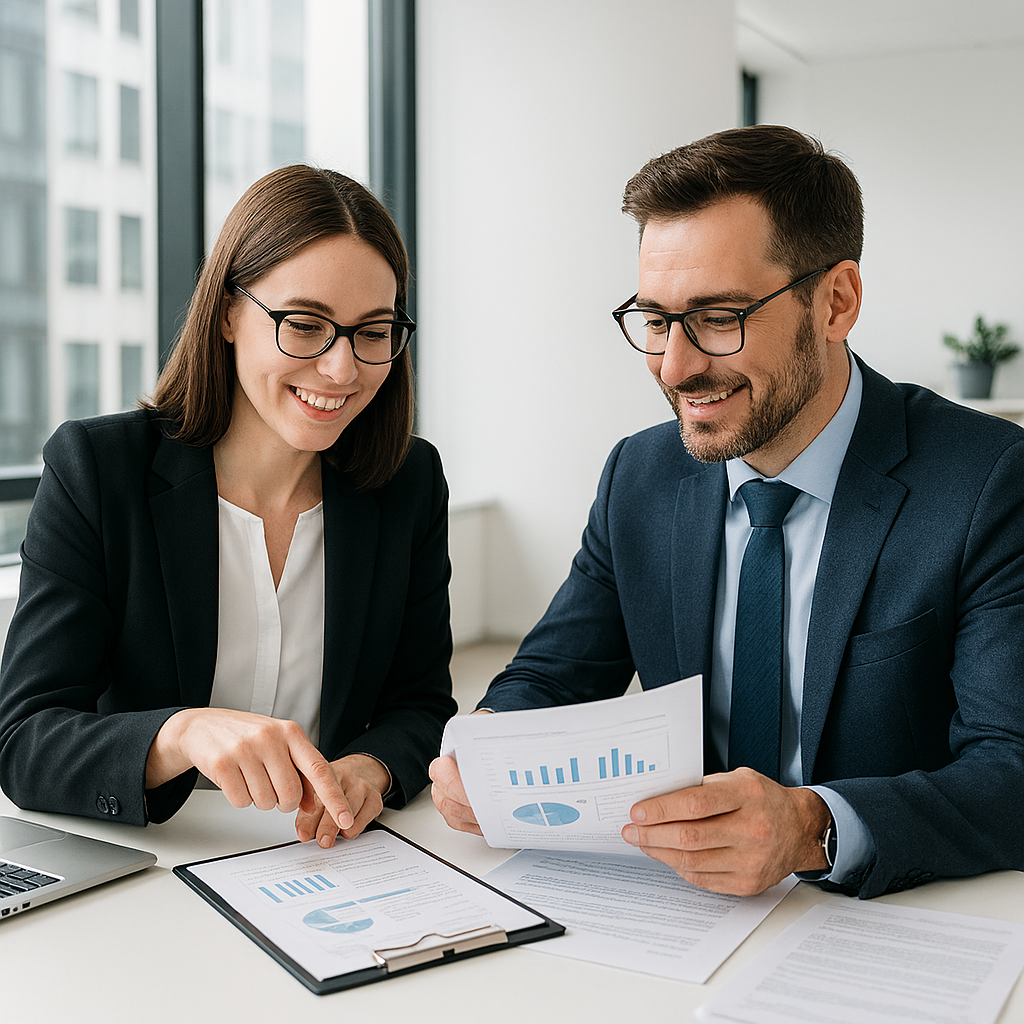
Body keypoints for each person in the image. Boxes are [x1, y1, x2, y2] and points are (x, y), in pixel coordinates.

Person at [430, 125, 1024, 900]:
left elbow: (1011, 767)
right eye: (655, 319)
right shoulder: (638, 473)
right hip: (680, 910)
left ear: (836, 302)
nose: (675, 367)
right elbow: (552, 674)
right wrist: (484, 748)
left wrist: (815, 827)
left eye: (718, 317)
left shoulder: (985, 481)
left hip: (888, 913)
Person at [0, 164, 456, 848]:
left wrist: (371, 768)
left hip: (328, 862)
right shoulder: (97, 470)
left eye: (373, 331)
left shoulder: (408, 481)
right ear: (228, 314)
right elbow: (25, 740)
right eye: (305, 325)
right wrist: (179, 732)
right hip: (155, 864)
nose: (343, 369)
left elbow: (419, 703)